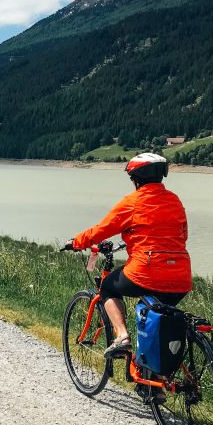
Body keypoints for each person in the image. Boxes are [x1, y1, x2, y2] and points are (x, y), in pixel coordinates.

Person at [64, 152, 192, 370]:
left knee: (107, 288)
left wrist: (76, 242)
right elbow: (182, 235)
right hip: (181, 276)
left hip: (146, 272)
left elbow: (101, 230)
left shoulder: (132, 203)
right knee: (155, 316)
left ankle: (122, 337)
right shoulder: (175, 200)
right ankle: (154, 382)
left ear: (135, 179)